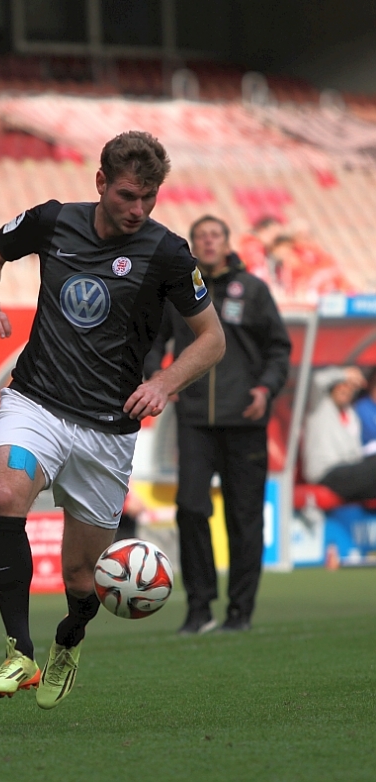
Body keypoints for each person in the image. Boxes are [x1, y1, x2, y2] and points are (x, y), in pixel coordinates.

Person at [0, 131, 225, 709]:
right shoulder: (54, 221)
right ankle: (19, 652)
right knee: (6, 492)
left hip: (108, 429)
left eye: (149, 198)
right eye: (128, 195)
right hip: (36, 401)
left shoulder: (168, 252)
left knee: (83, 579)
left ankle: (68, 641)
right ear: (101, 182)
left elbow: (212, 339)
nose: (139, 209)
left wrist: (163, 383)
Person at [145, 214, 291, 634]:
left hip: (244, 420)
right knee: (191, 509)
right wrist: (159, 378)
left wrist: (265, 389)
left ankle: (240, 612)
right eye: (201, 237)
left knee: (244, 518)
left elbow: (279, 349)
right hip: (194, 421)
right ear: (193, 246)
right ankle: (199, 608)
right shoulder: (178, 291)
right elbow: (152, 342)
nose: (208, 242)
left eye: (215, 236)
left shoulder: (254, 290)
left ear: (227, 243)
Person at [302, 366, 376, 499]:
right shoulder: (320, 406)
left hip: (349, 471)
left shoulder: (351, 414)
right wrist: (345, 374)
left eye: (350, 387)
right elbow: (317, 380)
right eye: (342, 385)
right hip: (325, 472)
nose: (345, 390)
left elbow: (356, 453)